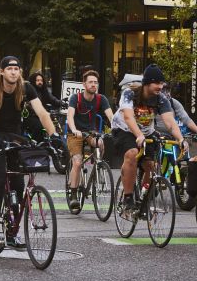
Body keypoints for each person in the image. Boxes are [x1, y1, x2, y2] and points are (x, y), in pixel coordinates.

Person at [0, 56, 57, 247]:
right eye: (9, 68)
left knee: (18, 183)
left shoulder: (26, 88)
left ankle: (12, 232)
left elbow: (42, 113)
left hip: (15, 137)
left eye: (16, 69)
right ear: (2, 72)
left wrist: (55, 136)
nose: (13, 72)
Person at [111, 64, 188, 217]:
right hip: (124, 129)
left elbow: (169, 122)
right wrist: (139, 135)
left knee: (151, 166)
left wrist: (181, 139)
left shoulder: (161, 99)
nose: (160, 86)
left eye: (162, 83)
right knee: (132, 154)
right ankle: (127, 199)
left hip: (147, 132)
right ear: (146, 83)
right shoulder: (129, 93)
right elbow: (128, 117)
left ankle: (143, 200)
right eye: (157, 83)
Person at [66, 70, 113, 212]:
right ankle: (74, 194)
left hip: (90, 133)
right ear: (84, 84)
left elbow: (111, 116)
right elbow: (70, 116)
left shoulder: (101, 99)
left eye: (95, 82)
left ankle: (98, 167)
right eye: (91, 82)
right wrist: (74, 129)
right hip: (75, 134)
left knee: (100, 143)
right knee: (78, 162)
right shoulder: (76, 98)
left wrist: (116, 128)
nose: (93, 85)